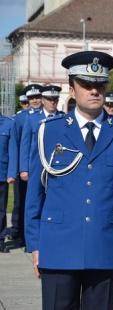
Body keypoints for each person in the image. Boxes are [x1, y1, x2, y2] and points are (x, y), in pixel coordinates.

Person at [24, 51, 113, 310]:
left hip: (106, 245)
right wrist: (34, 243)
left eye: (99, 85)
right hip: (57, 245)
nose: (94, 91)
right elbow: (36, 193)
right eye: (86, 84)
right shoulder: (49, 131)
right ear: (72, 89)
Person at [8, 84, 43, 248]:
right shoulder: (21, 118)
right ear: (27, 100)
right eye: (32, 98)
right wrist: (19, 168)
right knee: (20, 203)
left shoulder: (47, 115)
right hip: (26, 167)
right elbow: (18, 144)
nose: (35, 100)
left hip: (41, 169)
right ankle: (19, 232)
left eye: (37, 97)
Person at [19, 85, 64, 182]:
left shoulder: (64, 118)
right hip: (37, 165)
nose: (52, 102)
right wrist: (24, 169)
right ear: (43, 100)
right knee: (35, 195)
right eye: (49, 99)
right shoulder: (32, 119)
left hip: (59, 165)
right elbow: (25, 145)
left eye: (55, 99)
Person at [0, 113, 18, 253]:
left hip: (1, 173)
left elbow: (12, 151)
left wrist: (11, 173)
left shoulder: (8, 123)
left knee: (1, 209)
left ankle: (0, 240)